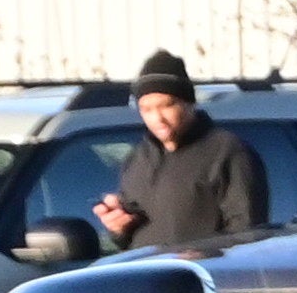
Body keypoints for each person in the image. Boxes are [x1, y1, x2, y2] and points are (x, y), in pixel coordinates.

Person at [92, 52, 268, 252]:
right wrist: (118, 229)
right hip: (145, 277)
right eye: (146, 109)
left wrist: (203, 254)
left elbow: (248, 234)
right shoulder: (137, 159)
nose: (157, 118)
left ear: (189, 103)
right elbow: (130, 240)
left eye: (167, 106)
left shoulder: (228, 152)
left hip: (197, 278)